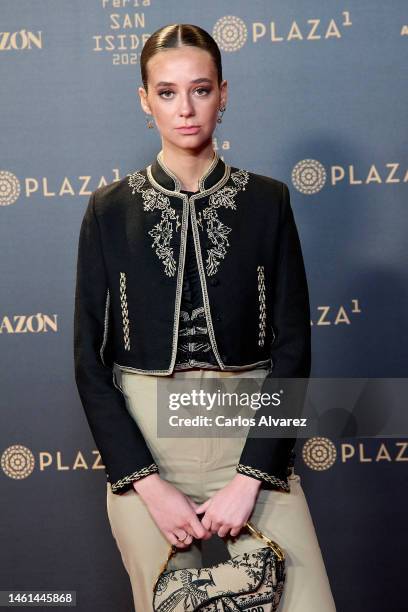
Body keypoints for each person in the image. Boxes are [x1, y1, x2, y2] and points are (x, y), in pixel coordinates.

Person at [73, 23, 336, 612]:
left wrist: (250, 478)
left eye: (200, 89)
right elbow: (89, 364)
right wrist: (148, 484)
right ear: (145, 100)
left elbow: (293, 347)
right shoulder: (108, 211)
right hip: (148, 449)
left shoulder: (269, 200)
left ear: (223, 93)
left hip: (250, 435)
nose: (185, 109)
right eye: (166, 92)